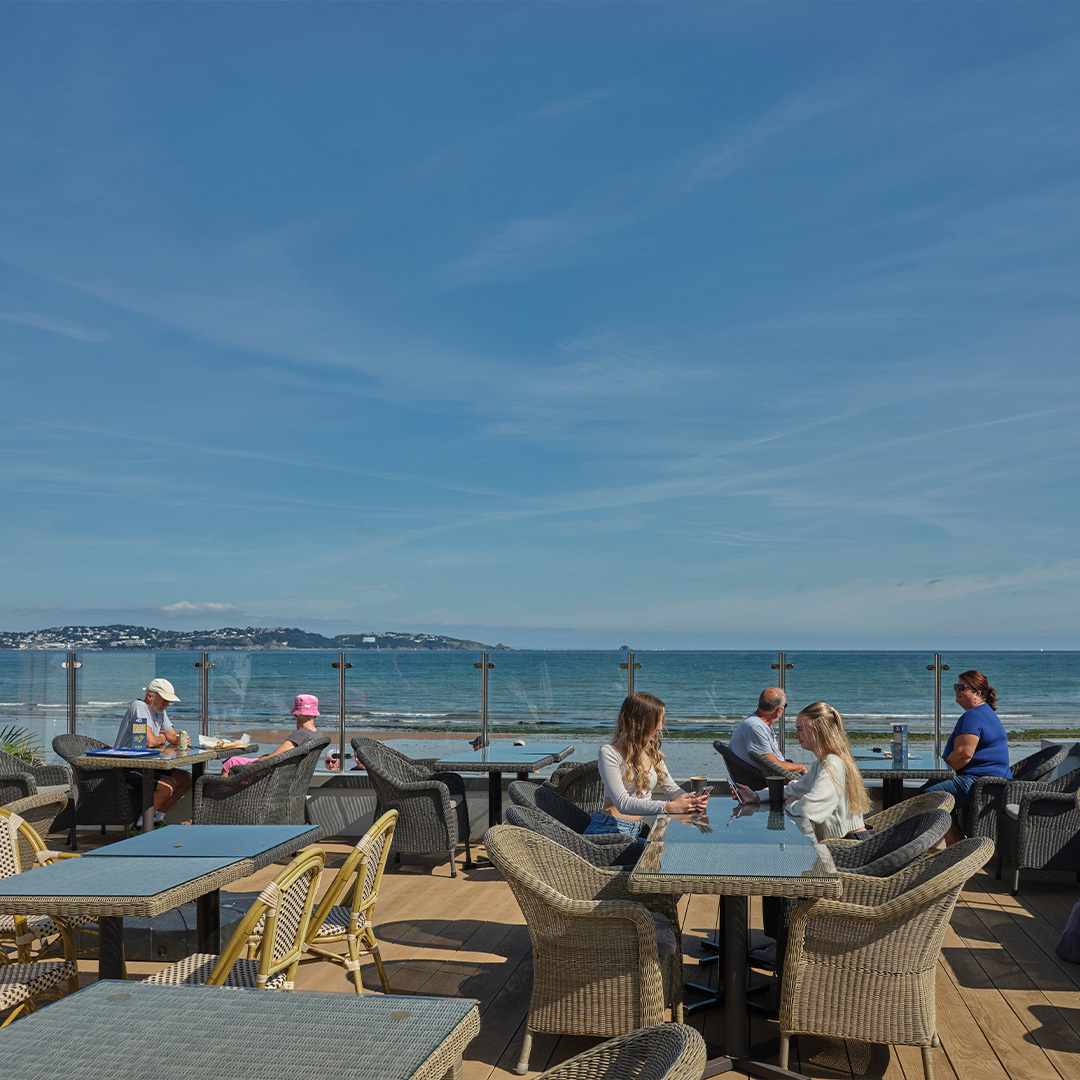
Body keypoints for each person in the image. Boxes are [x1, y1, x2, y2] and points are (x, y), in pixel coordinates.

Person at [733, 701, 871, 840]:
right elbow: (795, 789)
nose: (796, 735)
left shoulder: (831, 764)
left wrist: (791, 805)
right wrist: (756, 796)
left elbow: (809, 809)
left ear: (819, 731)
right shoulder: (823, 762)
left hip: (849, 845)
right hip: (845, 841)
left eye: (800, 729)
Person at [589, 691, 707, 838]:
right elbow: (622, 803)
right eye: (657, 721)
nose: (661, 727)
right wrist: (668, 807)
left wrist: (691, 801)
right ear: (641, 722)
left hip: (636, 829)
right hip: (609, 830)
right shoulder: (609, 753)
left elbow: (671, 789)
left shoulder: (652, 752)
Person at [920, 671, 1009, 845]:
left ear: (977, 694)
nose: (957, 690)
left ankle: (956, 845)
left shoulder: (972, 716)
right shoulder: (985, 712)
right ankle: (957, 843)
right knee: (933, 791)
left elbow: (963, 755)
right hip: (993, 781)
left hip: (980, 782)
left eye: (962, 687)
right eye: (956, 686)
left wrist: (938, 774)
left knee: (929, 794)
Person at [114, 678, 191, 831]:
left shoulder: (159, 711)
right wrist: (162, 739)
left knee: (186, 779)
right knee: (168, 786)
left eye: (168, 701)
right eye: (164, 700)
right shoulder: (139, 707)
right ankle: (141, 826)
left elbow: (171, 736)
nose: (167, 704)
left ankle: (156, 819)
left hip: (149, 764)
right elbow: (148, 741)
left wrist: (179, 738)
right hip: (128, 766)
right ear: (150, 696)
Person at [221, 694, 322, 774]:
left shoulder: (301, 734)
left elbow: (272, 758)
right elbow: (282, 754)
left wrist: (252, 763)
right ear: (315, 715)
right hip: (288, 772)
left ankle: (221, 796)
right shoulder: (318, 733)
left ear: (296, 714)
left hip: (272, 774)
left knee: (231, 762)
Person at [729, 688, 807, 777]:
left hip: (771, 777)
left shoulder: (758, 724)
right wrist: (801, 767)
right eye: (785, 706)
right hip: (770, 781)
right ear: (779, 710)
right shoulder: (755, 727)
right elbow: (775, 766)